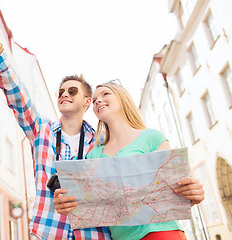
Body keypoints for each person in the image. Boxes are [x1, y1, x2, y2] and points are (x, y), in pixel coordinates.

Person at [0, 13, 111, 239]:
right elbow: (18, 96)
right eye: (61, 91)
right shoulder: (41, 129)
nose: (65, 94)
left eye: (72, 91)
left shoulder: (101, 142)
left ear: (87, 102)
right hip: (48, 233)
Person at [53, 81, 205, 240]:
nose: (98, 100)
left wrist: (193, 195)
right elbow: (89, 205)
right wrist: (65, 204)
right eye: (95, 98)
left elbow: (175, 193)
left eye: (105, 94)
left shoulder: (152, 138)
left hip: (161, 233)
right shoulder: (93, 155)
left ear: (122, 99)